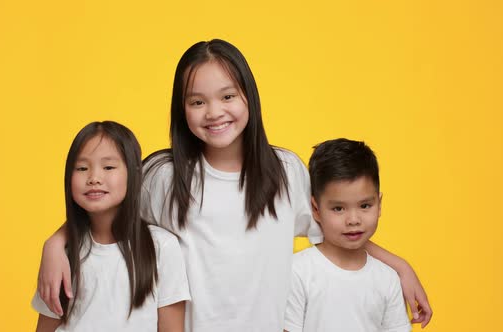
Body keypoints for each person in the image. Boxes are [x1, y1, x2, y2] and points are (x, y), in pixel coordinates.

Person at [37, 40, 431, 331]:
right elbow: (106, 214)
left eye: (227, 96)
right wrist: (56, 244)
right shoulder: (164, 176)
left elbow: (336, 228)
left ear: (249, 98)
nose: (214, 112)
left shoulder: (285, 172)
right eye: (197, 102)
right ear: (181, 109)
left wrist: (399, 266)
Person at [32, 121, 190, 332]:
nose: (94, 178)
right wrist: (53, 246)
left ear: (133, 172)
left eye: (108, 167)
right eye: (81, 168)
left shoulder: (161, 247)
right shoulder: (63, 254)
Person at [284, 138, 412, 332]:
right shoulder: (297, 272)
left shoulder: (387, 279)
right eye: (338, 208)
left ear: (379, 204)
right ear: (316, 210)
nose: (353, 219)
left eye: (365, 206)